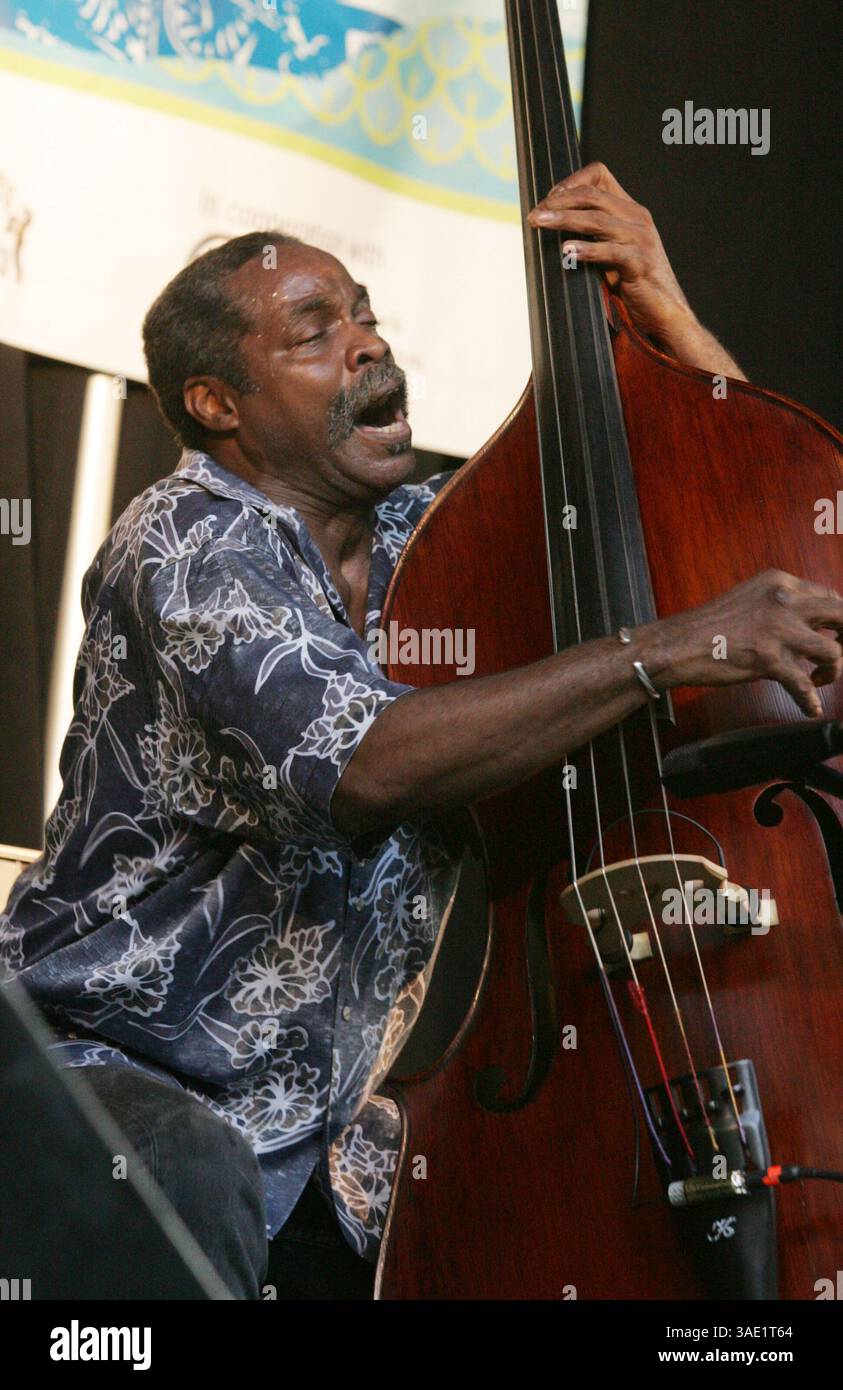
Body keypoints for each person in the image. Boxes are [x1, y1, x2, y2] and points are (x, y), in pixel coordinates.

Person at [2, 164, 841, 1300]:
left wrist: (669, 316)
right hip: (117, 1084)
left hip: (337, 1150)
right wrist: (669, 648)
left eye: (365, 314)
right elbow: (365, 764)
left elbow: (753, 532)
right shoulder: (189, 540)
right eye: (313, 330)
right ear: (218, 405)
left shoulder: (434, 540)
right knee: (191, 1172)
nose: (363, 343)